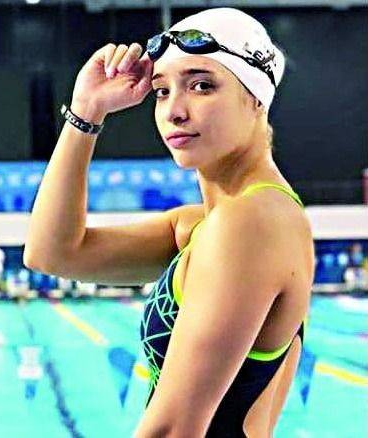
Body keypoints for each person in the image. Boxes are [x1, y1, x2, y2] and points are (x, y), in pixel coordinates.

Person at [23, 8, 314, 437]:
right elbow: (53, 253)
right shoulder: (214, 224)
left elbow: (175, 430)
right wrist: (86, 111)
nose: (174, 111)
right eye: (161, 91)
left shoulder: (249, 224)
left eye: (201, 85)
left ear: (256, 98)